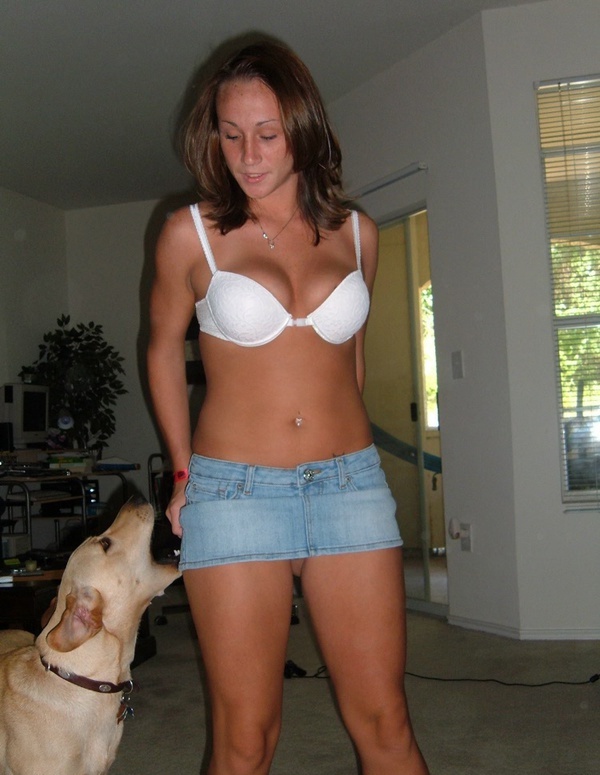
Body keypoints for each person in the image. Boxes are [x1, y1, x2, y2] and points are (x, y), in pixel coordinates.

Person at [147, 39, 429, 775]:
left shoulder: (359, 233)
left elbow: (349, 360)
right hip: (234, 492)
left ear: (302, 127)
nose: (248, 155)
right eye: (230, 135)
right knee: (246, 740)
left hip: (349, 484)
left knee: (387, 724)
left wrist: (345, 450)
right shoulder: (190, 234)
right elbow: (161, 351)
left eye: (267, 134)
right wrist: (182, 473)